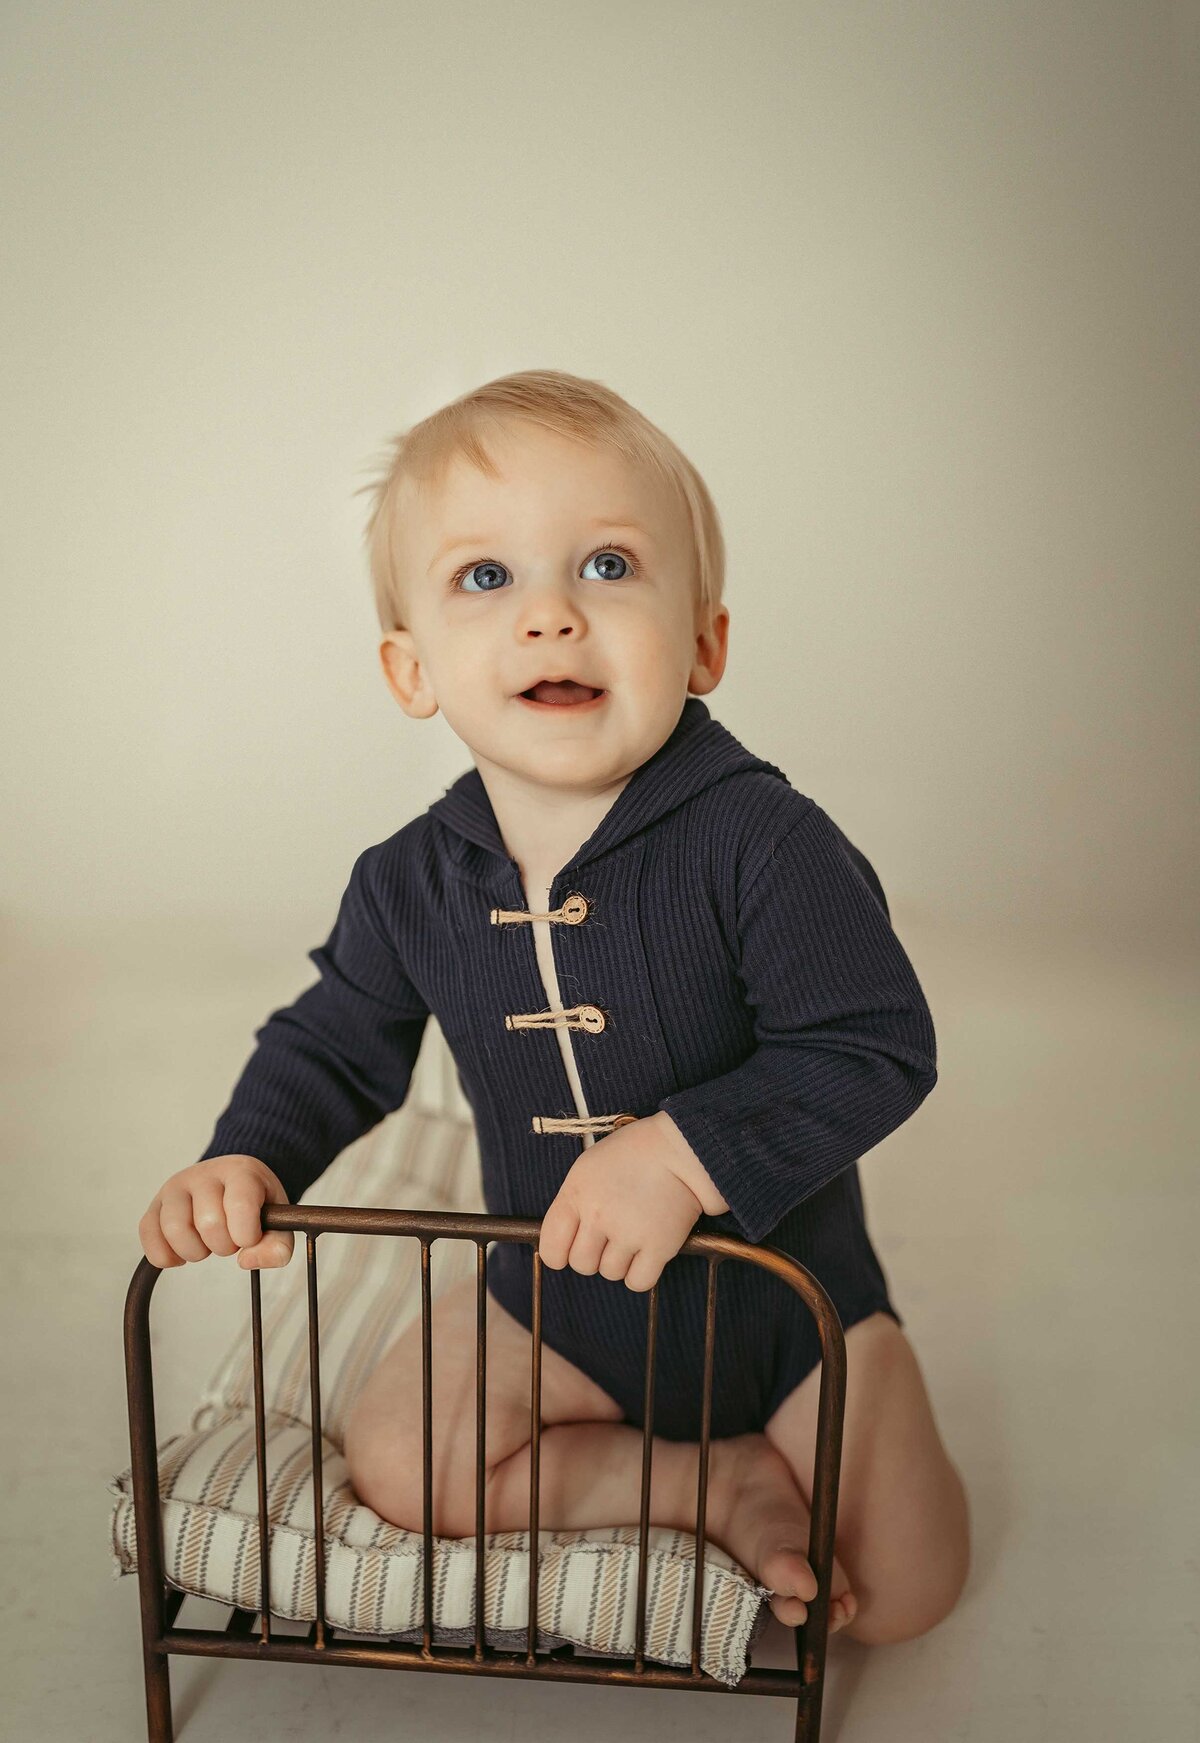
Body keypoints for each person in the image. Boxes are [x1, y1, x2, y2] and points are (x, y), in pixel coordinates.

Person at [138, 369, 970, 1645]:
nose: (550, 620)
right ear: (411, 668)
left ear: (704, 643)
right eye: (488, 580)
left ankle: (820, 1408)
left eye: (608, 567)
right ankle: (704, 1486)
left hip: (783, 1298)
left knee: (911, 1591)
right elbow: (335, 1037)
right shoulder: (410, 881)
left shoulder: (765, 843)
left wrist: (683, 1155)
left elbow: (874, 1044)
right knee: (402, 1458)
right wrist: (249, 1150)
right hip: (553, 1300)